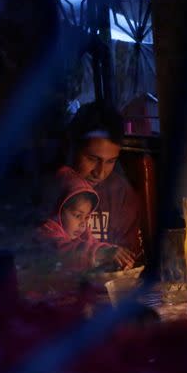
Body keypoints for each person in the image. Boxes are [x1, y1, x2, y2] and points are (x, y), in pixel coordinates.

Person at [65, 102, 142, 261]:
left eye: (110, 161)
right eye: (92, 159)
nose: (100, 173)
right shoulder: (56, 189)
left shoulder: (120, 194)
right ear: (72, 147)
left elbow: (130, 254)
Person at [36, 166, 135, 272]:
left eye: (87, 217)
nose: (83, 223)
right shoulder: (45, 232)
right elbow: (64, 252)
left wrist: (114, 254)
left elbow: (94, 244)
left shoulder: (80, 231)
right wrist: (102, 253)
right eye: (78, 216)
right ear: (58, 209)